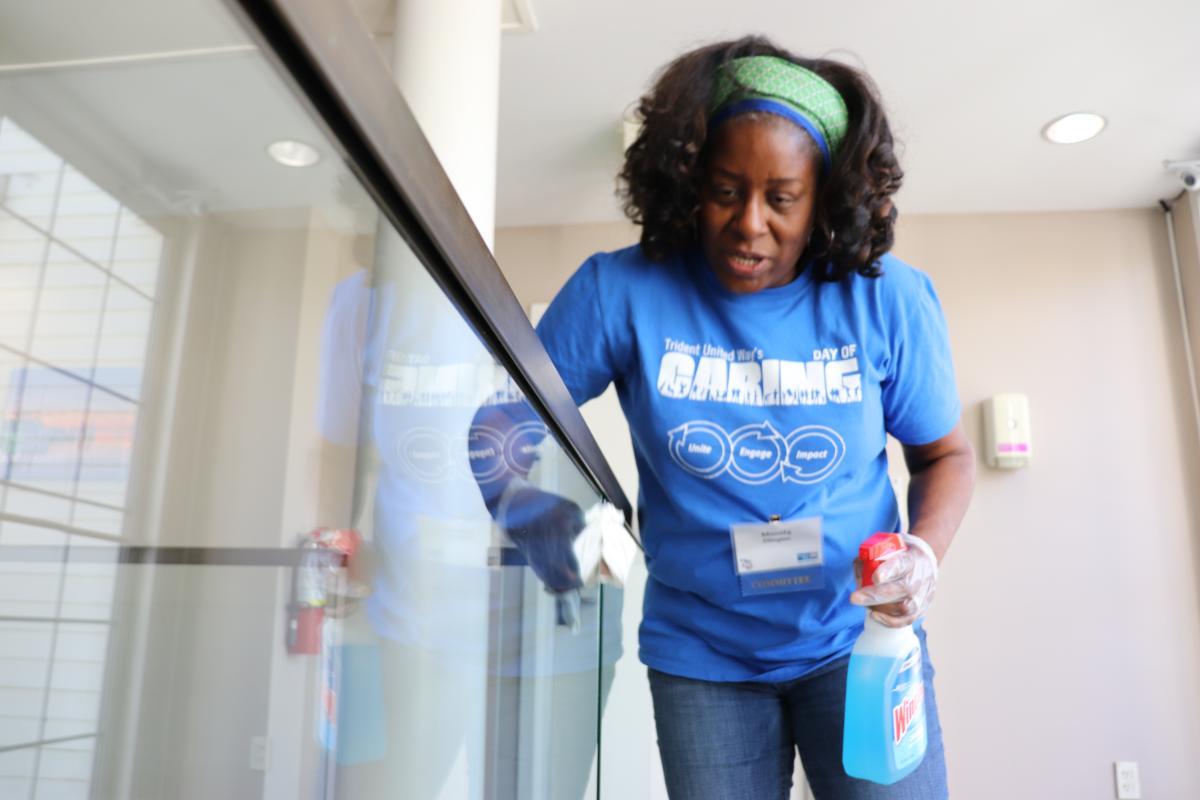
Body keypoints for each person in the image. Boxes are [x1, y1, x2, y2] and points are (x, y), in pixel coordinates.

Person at [525, 35, 976, 799]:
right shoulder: (621, 291)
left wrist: (923, 557)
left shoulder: (885, 298)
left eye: (782, 198)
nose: (750, 223)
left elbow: (946, 456)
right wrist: (548, 525)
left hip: (856, 640)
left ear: (825, 199)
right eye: (726, 190)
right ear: (688, 181)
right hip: (703, 656)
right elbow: (502, 427)